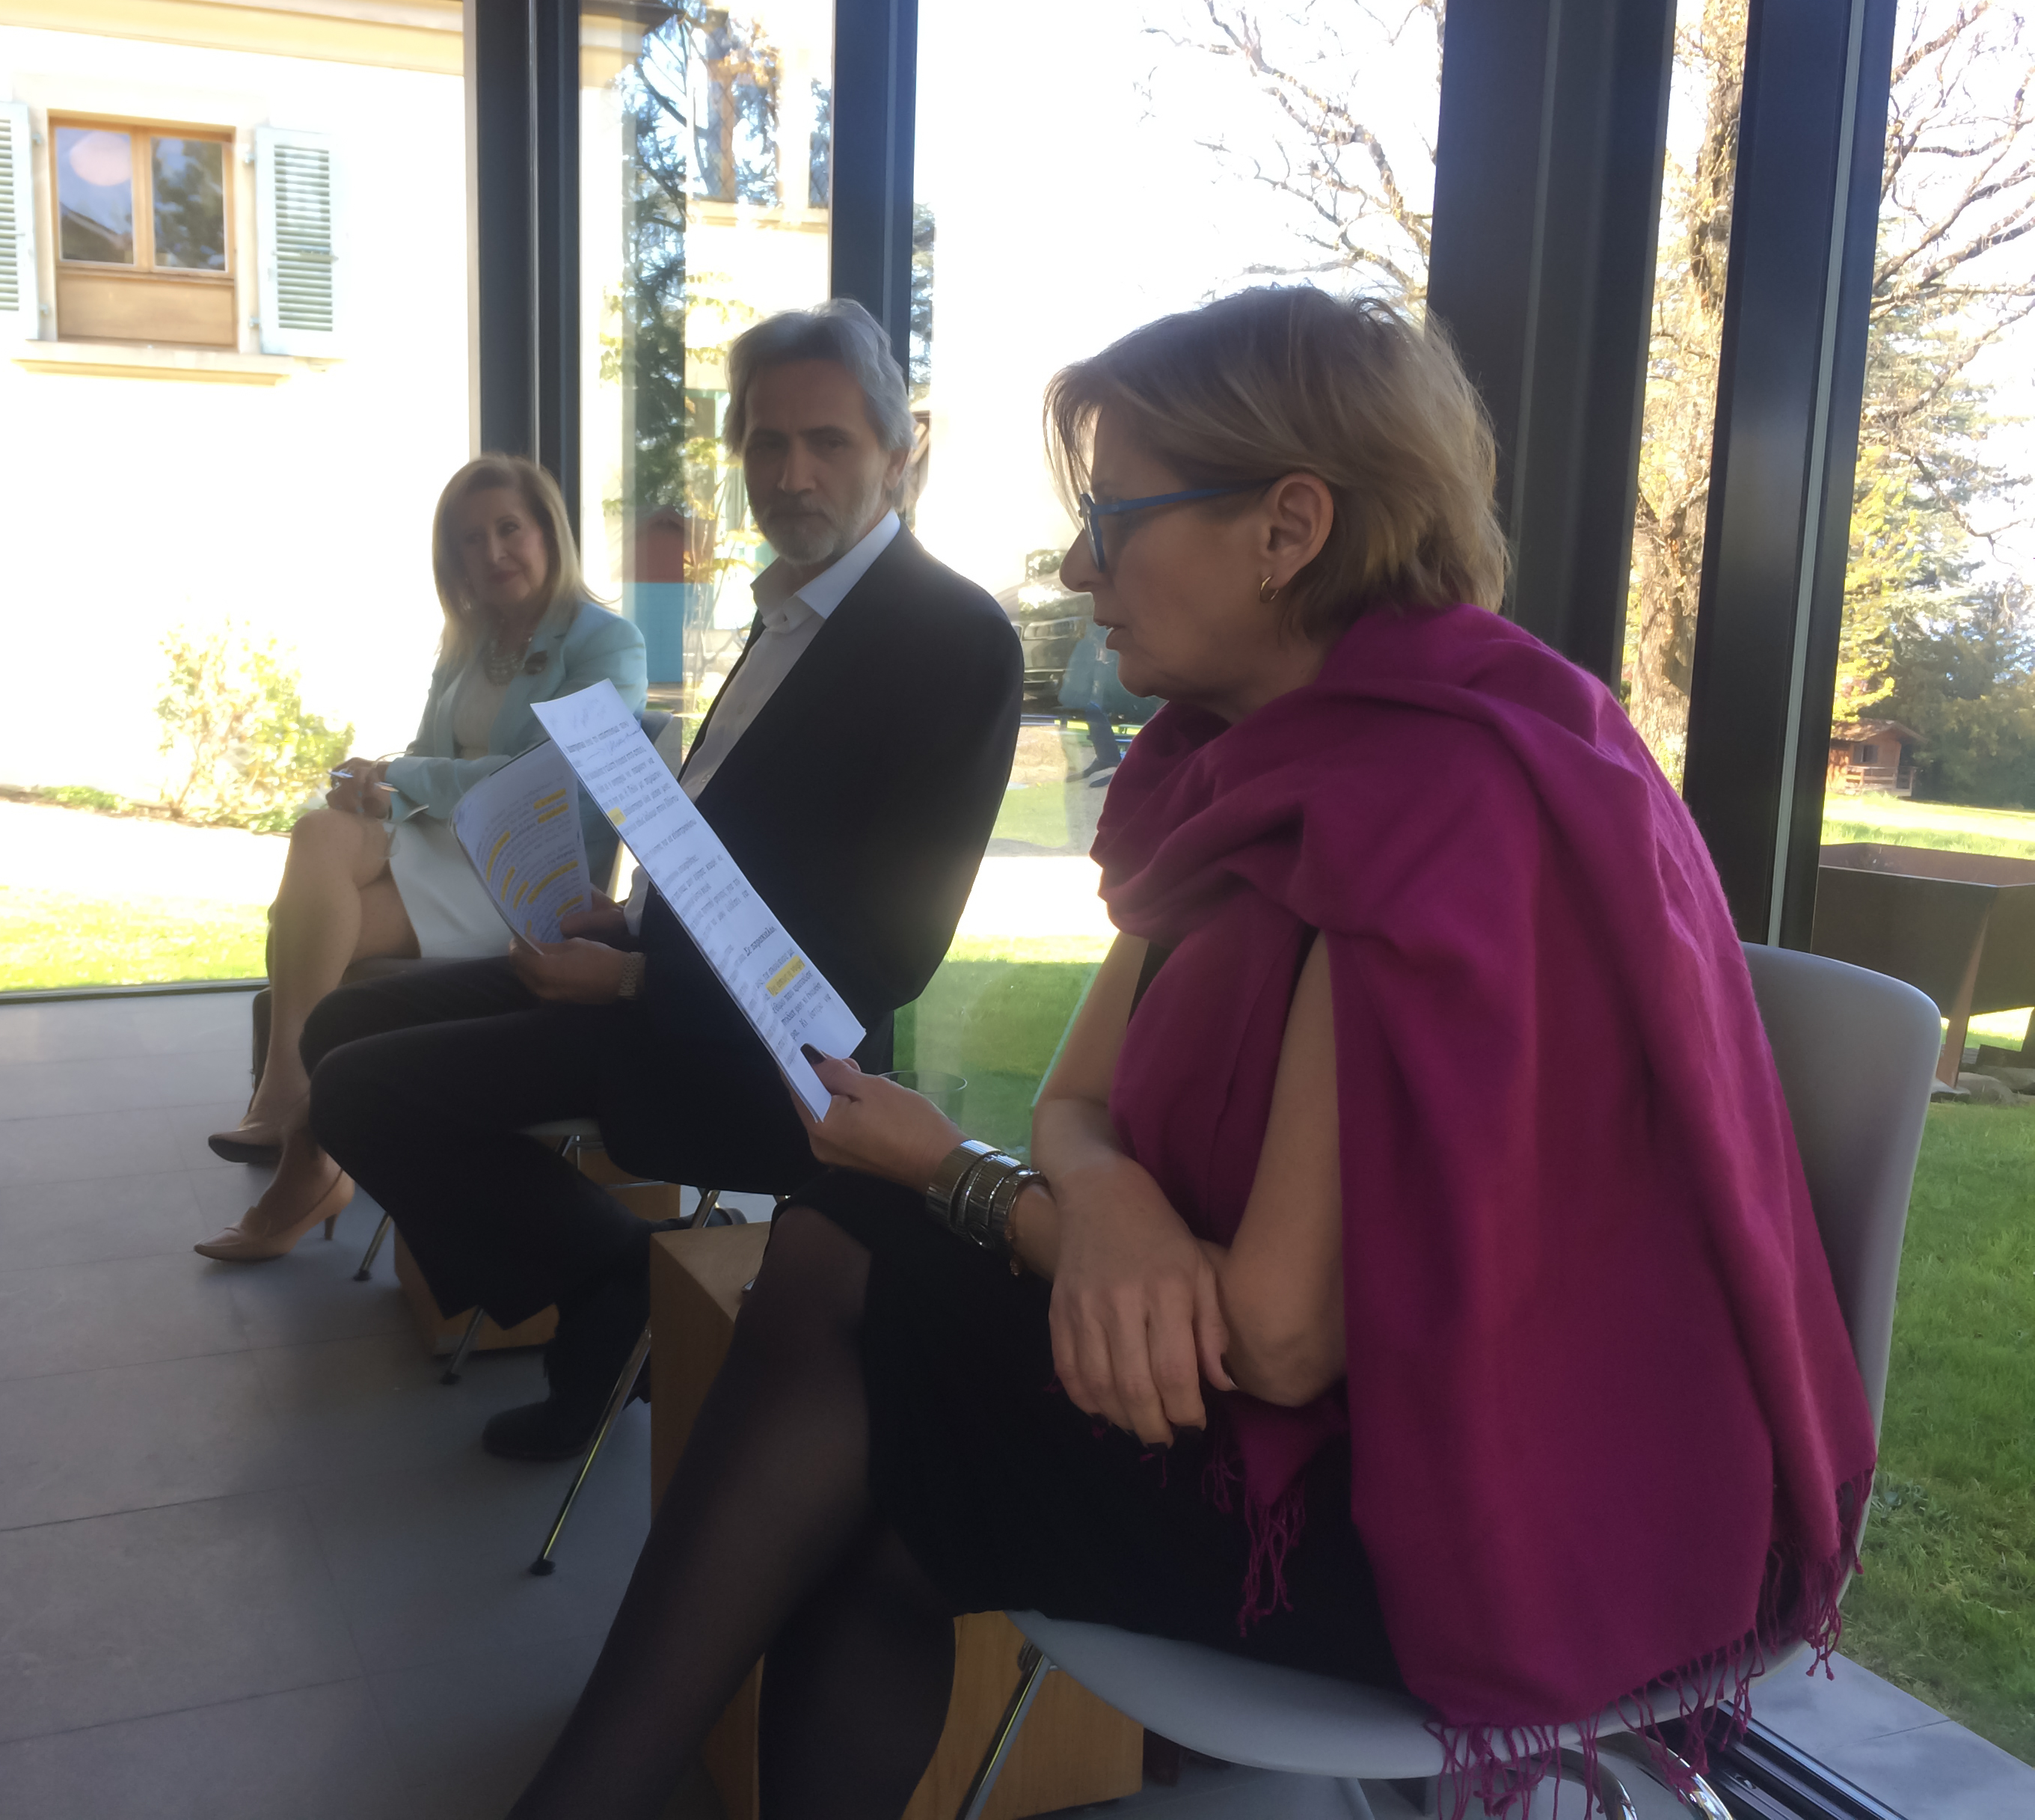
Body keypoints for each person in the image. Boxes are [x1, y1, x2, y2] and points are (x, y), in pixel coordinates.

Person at [504, 287, 1879, 1820]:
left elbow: (1277, 1342)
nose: (1077, 570)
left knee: (860, 1338)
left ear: (1287, 528)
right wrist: (1106, 1203)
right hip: (1279, 1402)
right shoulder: (1249, 759)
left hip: (1448, 1504)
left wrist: (964, 1179)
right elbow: (1076, 1102)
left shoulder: (1435, 802)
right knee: (859, 1358)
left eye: (1113, 519)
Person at [241, 298, 1022, 1465]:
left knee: (359, 1091)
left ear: (899, 451)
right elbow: (729, 844)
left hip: (756, 1062)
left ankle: (611, 1294)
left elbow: (880, 959)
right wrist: (630, 917)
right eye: (766, 442)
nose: (791, 475)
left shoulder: (952, 639)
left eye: (829, 442)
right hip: (653, 981)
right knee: (337, 1024)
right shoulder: (792, 610)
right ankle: (614, 1283)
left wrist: (632, 981)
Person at [198, 456, 646, 1242]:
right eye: (471, 539)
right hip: (442, 849)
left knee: (313, 900)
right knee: (322, 838)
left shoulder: (608, 643)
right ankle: (305, 1128)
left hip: (523, 875)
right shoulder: (470, 643)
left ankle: (298, 1132)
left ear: (548, 533)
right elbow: (429, 754)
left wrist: (404, 777)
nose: (493, 552)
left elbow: (543, 777)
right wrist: (380, 787)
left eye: (509, 529)